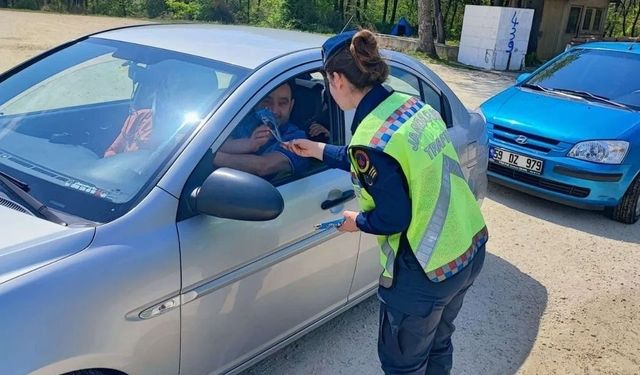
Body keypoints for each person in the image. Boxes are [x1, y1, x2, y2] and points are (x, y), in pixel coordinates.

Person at [285, 30, 488, 374]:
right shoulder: (410, 107)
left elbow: (391, 216)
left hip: (423, 273)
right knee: (439, 346)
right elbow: (392, 162)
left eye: (326, 81)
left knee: (403, 365)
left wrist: (357, 222)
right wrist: (319, 149)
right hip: (467, 248)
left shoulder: (371, 141)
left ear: (336, 78)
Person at [213, 81, 309, 180]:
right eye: (267, 101)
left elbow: (263, 166)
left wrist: (212, 158)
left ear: (291, 106)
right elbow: (218, 143)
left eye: (282, 103)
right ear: (256, 103)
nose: (274, 110)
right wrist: (247, 144)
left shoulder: (298, 139)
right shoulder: (245, 121)